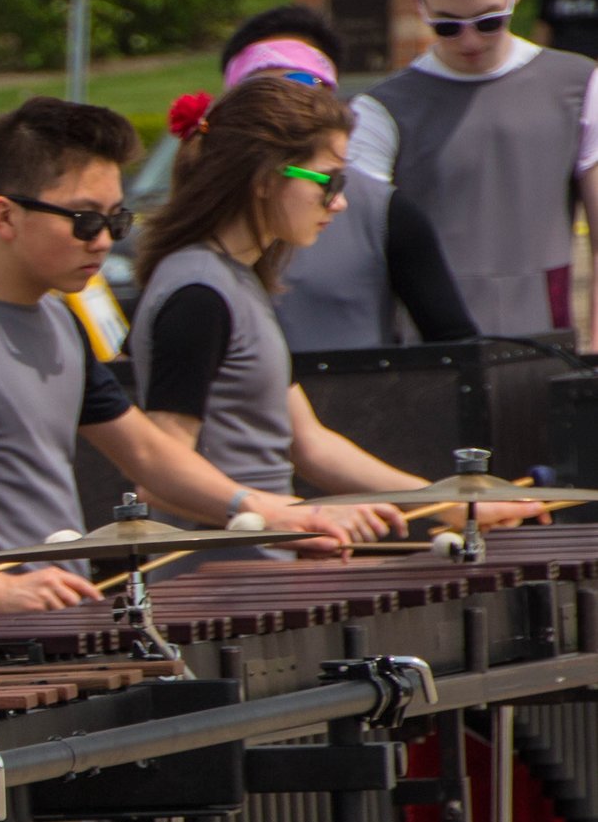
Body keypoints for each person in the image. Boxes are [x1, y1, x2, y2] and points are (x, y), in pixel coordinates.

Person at [0, 98, 356, 612]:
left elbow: (149, 455)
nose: (104, 241)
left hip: (59, 623)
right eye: (85, 221)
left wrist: (267, 511)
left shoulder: (60, 320)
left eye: (117, 220)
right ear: (5, 217)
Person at [132, 78, 491, 549]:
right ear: (265, 179)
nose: (340, 203)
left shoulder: (237, 280)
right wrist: (298, 517)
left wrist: (452, 502)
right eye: (330, 181)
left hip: (262, 570)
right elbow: (159, 475)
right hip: (219, 584)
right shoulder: (199, 295)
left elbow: (308, 442)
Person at [349, 0, 598, 338]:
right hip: (429, 354)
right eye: (446, 26)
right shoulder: (379, 109)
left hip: (547, 338)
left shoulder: (579, 84)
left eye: (488, 21)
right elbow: (360, 251)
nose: (469, 41)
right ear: (418, 2)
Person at [214, 5, 475, 350]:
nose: (283, 111)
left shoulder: (383, 212)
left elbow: (455, 345)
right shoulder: (201, 223)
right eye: (261, 92)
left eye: (304, 85)